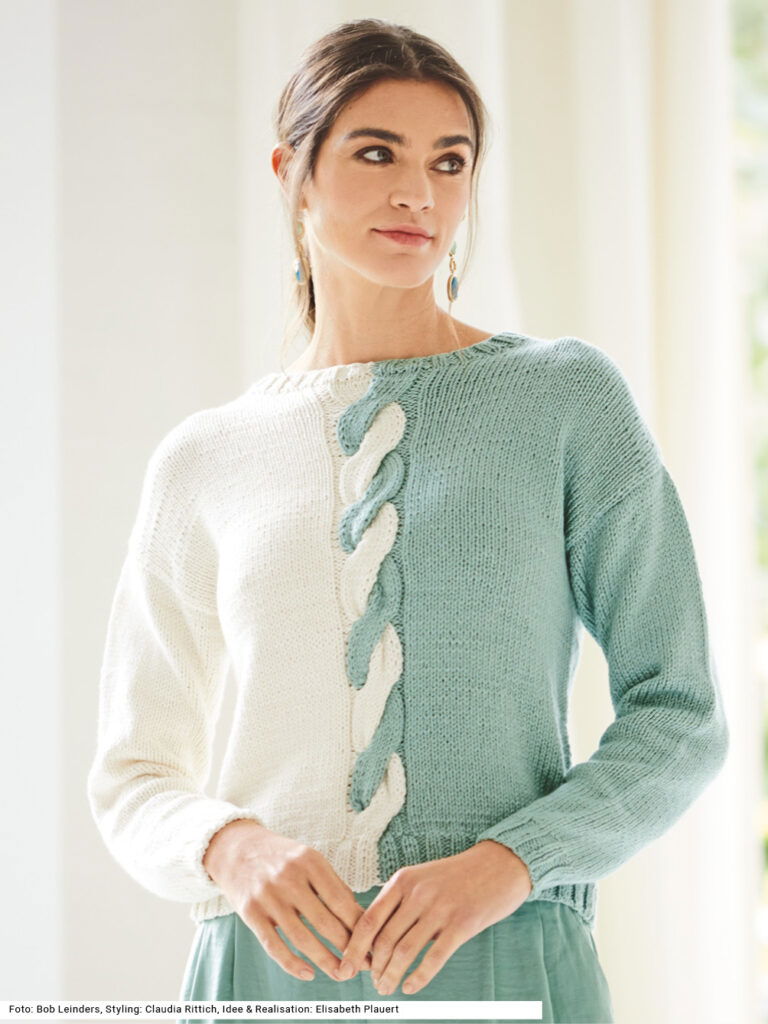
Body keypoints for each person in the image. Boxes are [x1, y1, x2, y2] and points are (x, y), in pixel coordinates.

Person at [86, 17, 729, 1024]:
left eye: (449, 161)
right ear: (292, 174)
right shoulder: (204, 459)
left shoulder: (563, 400)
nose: (418, 193)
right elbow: (132, 774)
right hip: (264, 970)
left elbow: (680, 712)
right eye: (376, 153)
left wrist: (514, 860)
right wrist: (230, 846)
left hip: (504, 947)